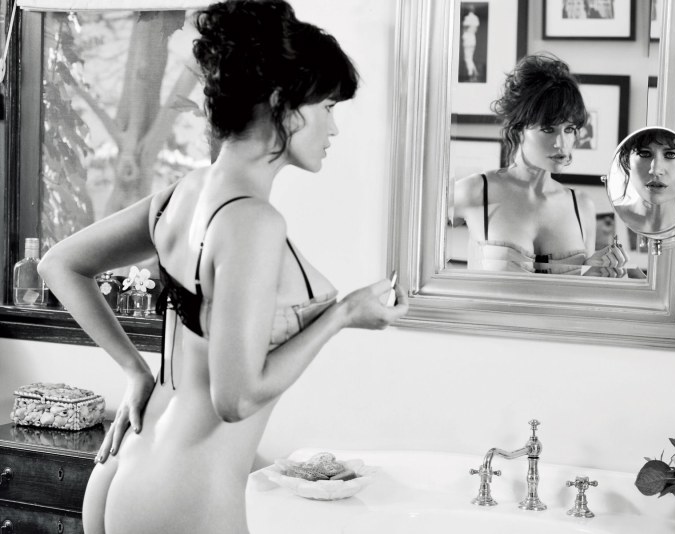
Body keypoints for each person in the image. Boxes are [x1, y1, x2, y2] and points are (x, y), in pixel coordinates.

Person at [38, 1, 408, 533]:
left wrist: (134, 370)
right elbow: (235, 399)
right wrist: (343, 314)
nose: (334, 127)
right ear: (283, 104)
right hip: (188, 494)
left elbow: (61, 264)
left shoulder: (184, 193)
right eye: (328, 106)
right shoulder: (253, 221)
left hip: (128, 469)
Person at [451, 54, 627, 276]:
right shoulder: (474, 191)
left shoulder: (582, 206)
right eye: (548, 129)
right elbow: (416, 244)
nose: (561, 143)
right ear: (518, 129)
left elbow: (579, 292)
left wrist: (595, 273)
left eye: (569, 129)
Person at [612, 128, 675, 235]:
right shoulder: (606, 221)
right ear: (626, 160)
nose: (655, 170)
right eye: (644, 153)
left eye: (671, 155)